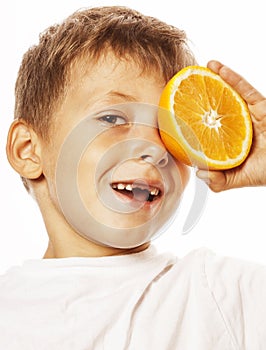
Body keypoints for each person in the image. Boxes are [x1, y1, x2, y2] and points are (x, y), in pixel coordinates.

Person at [1, 5, 266, 349]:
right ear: (28, 150)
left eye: (170, 128)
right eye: (112, 119)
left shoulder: (224, 295)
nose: (155, 149)